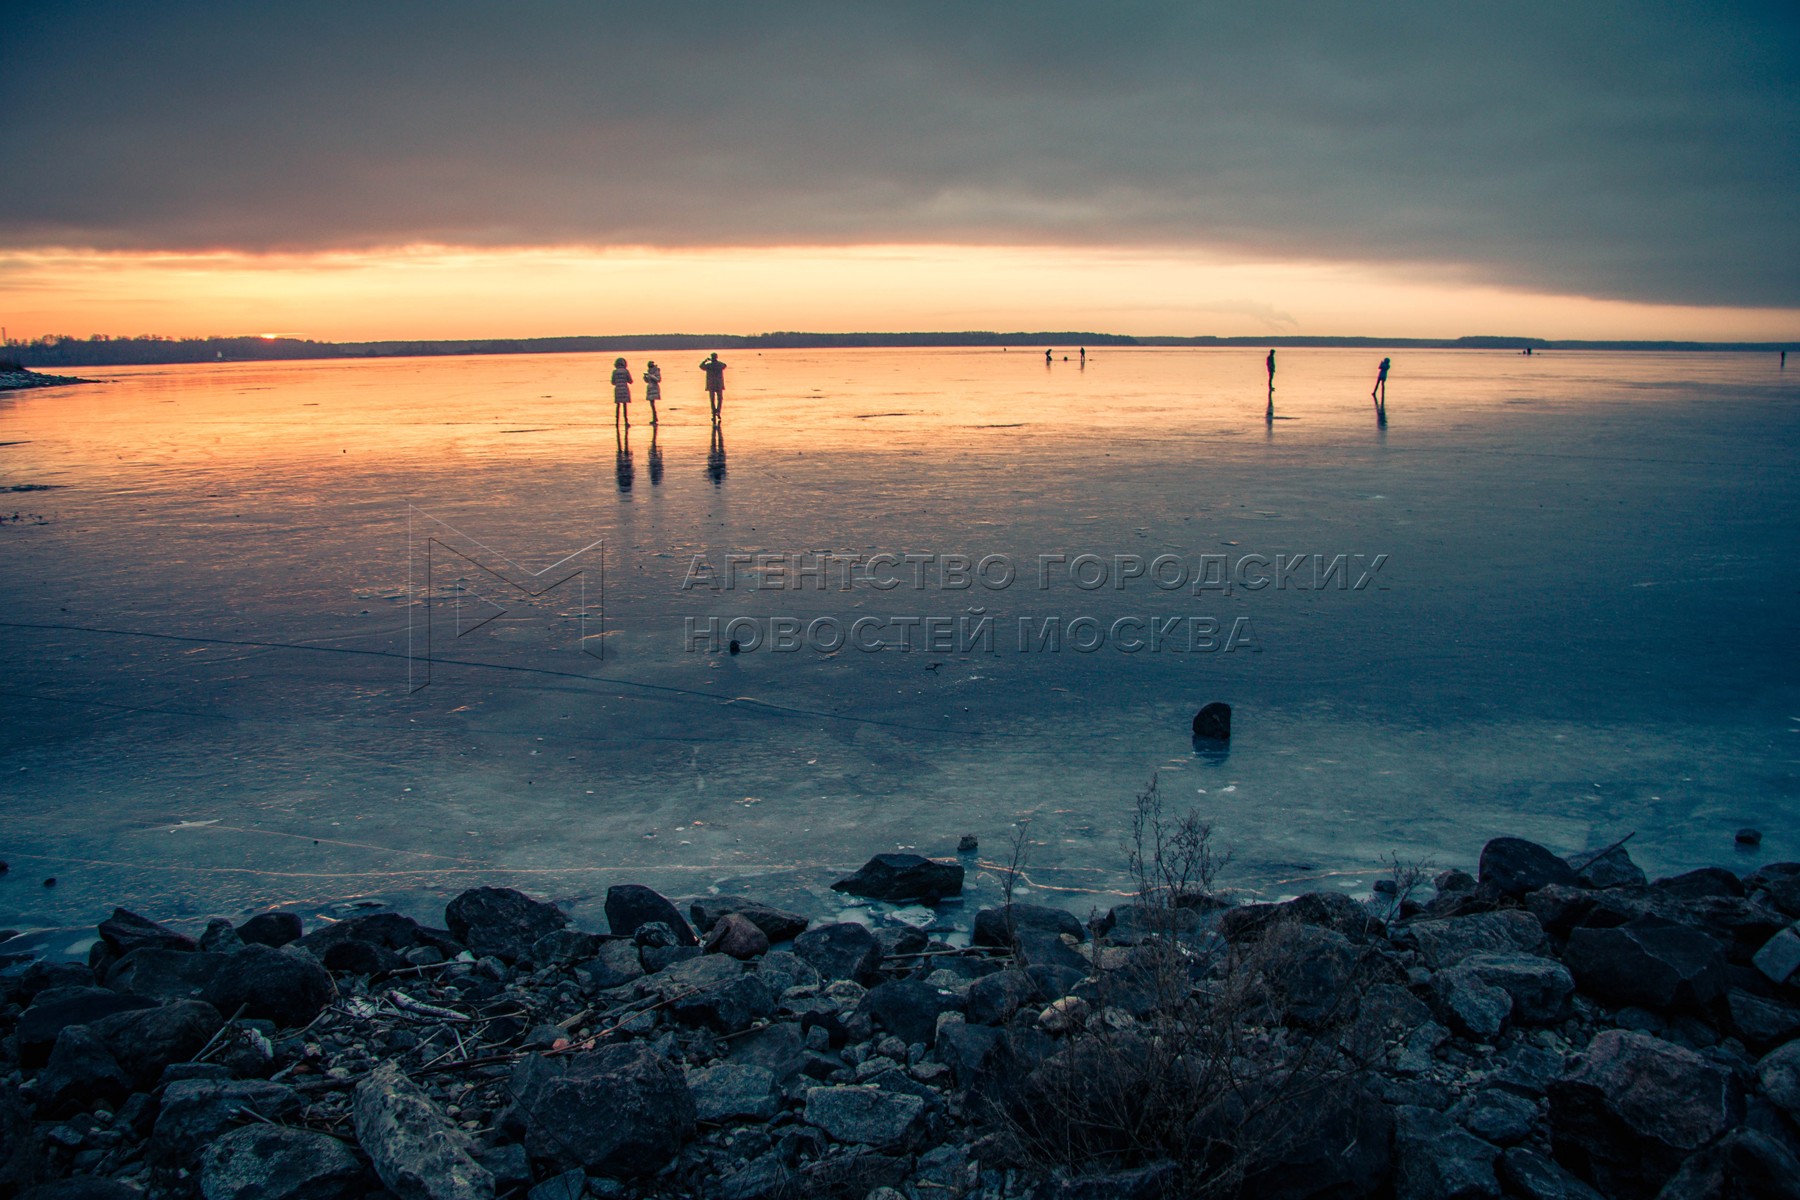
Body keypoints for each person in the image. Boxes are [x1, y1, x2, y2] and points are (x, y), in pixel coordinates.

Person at [700, 352, 727, 420]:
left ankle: (714, 412)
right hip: (719, 384)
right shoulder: (719, 364)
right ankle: (718, 411)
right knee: (720, 399)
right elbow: (725, 365)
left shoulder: (709, 365)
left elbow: (701, 366)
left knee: (712, 399)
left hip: (711, 384)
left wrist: (705, 361)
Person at [610, 357, 633, 427]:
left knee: (618, 406)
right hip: (624, 389)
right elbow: (630, 381)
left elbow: (613, 382)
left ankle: (617, 422)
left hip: (617, 390)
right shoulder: (626, 371)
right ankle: (626, 421)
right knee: (625, 406)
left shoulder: (614, 372)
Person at [643, 360, 662, 425]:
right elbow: (647, 381)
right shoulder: (649, 371)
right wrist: (645, 377)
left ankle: (655, 418)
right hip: (650, 389)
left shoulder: (656, 371)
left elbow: (658, 380)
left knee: (652, 404)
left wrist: (650, 375)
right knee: (652, 405)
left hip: (654, 388)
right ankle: (655, 417)